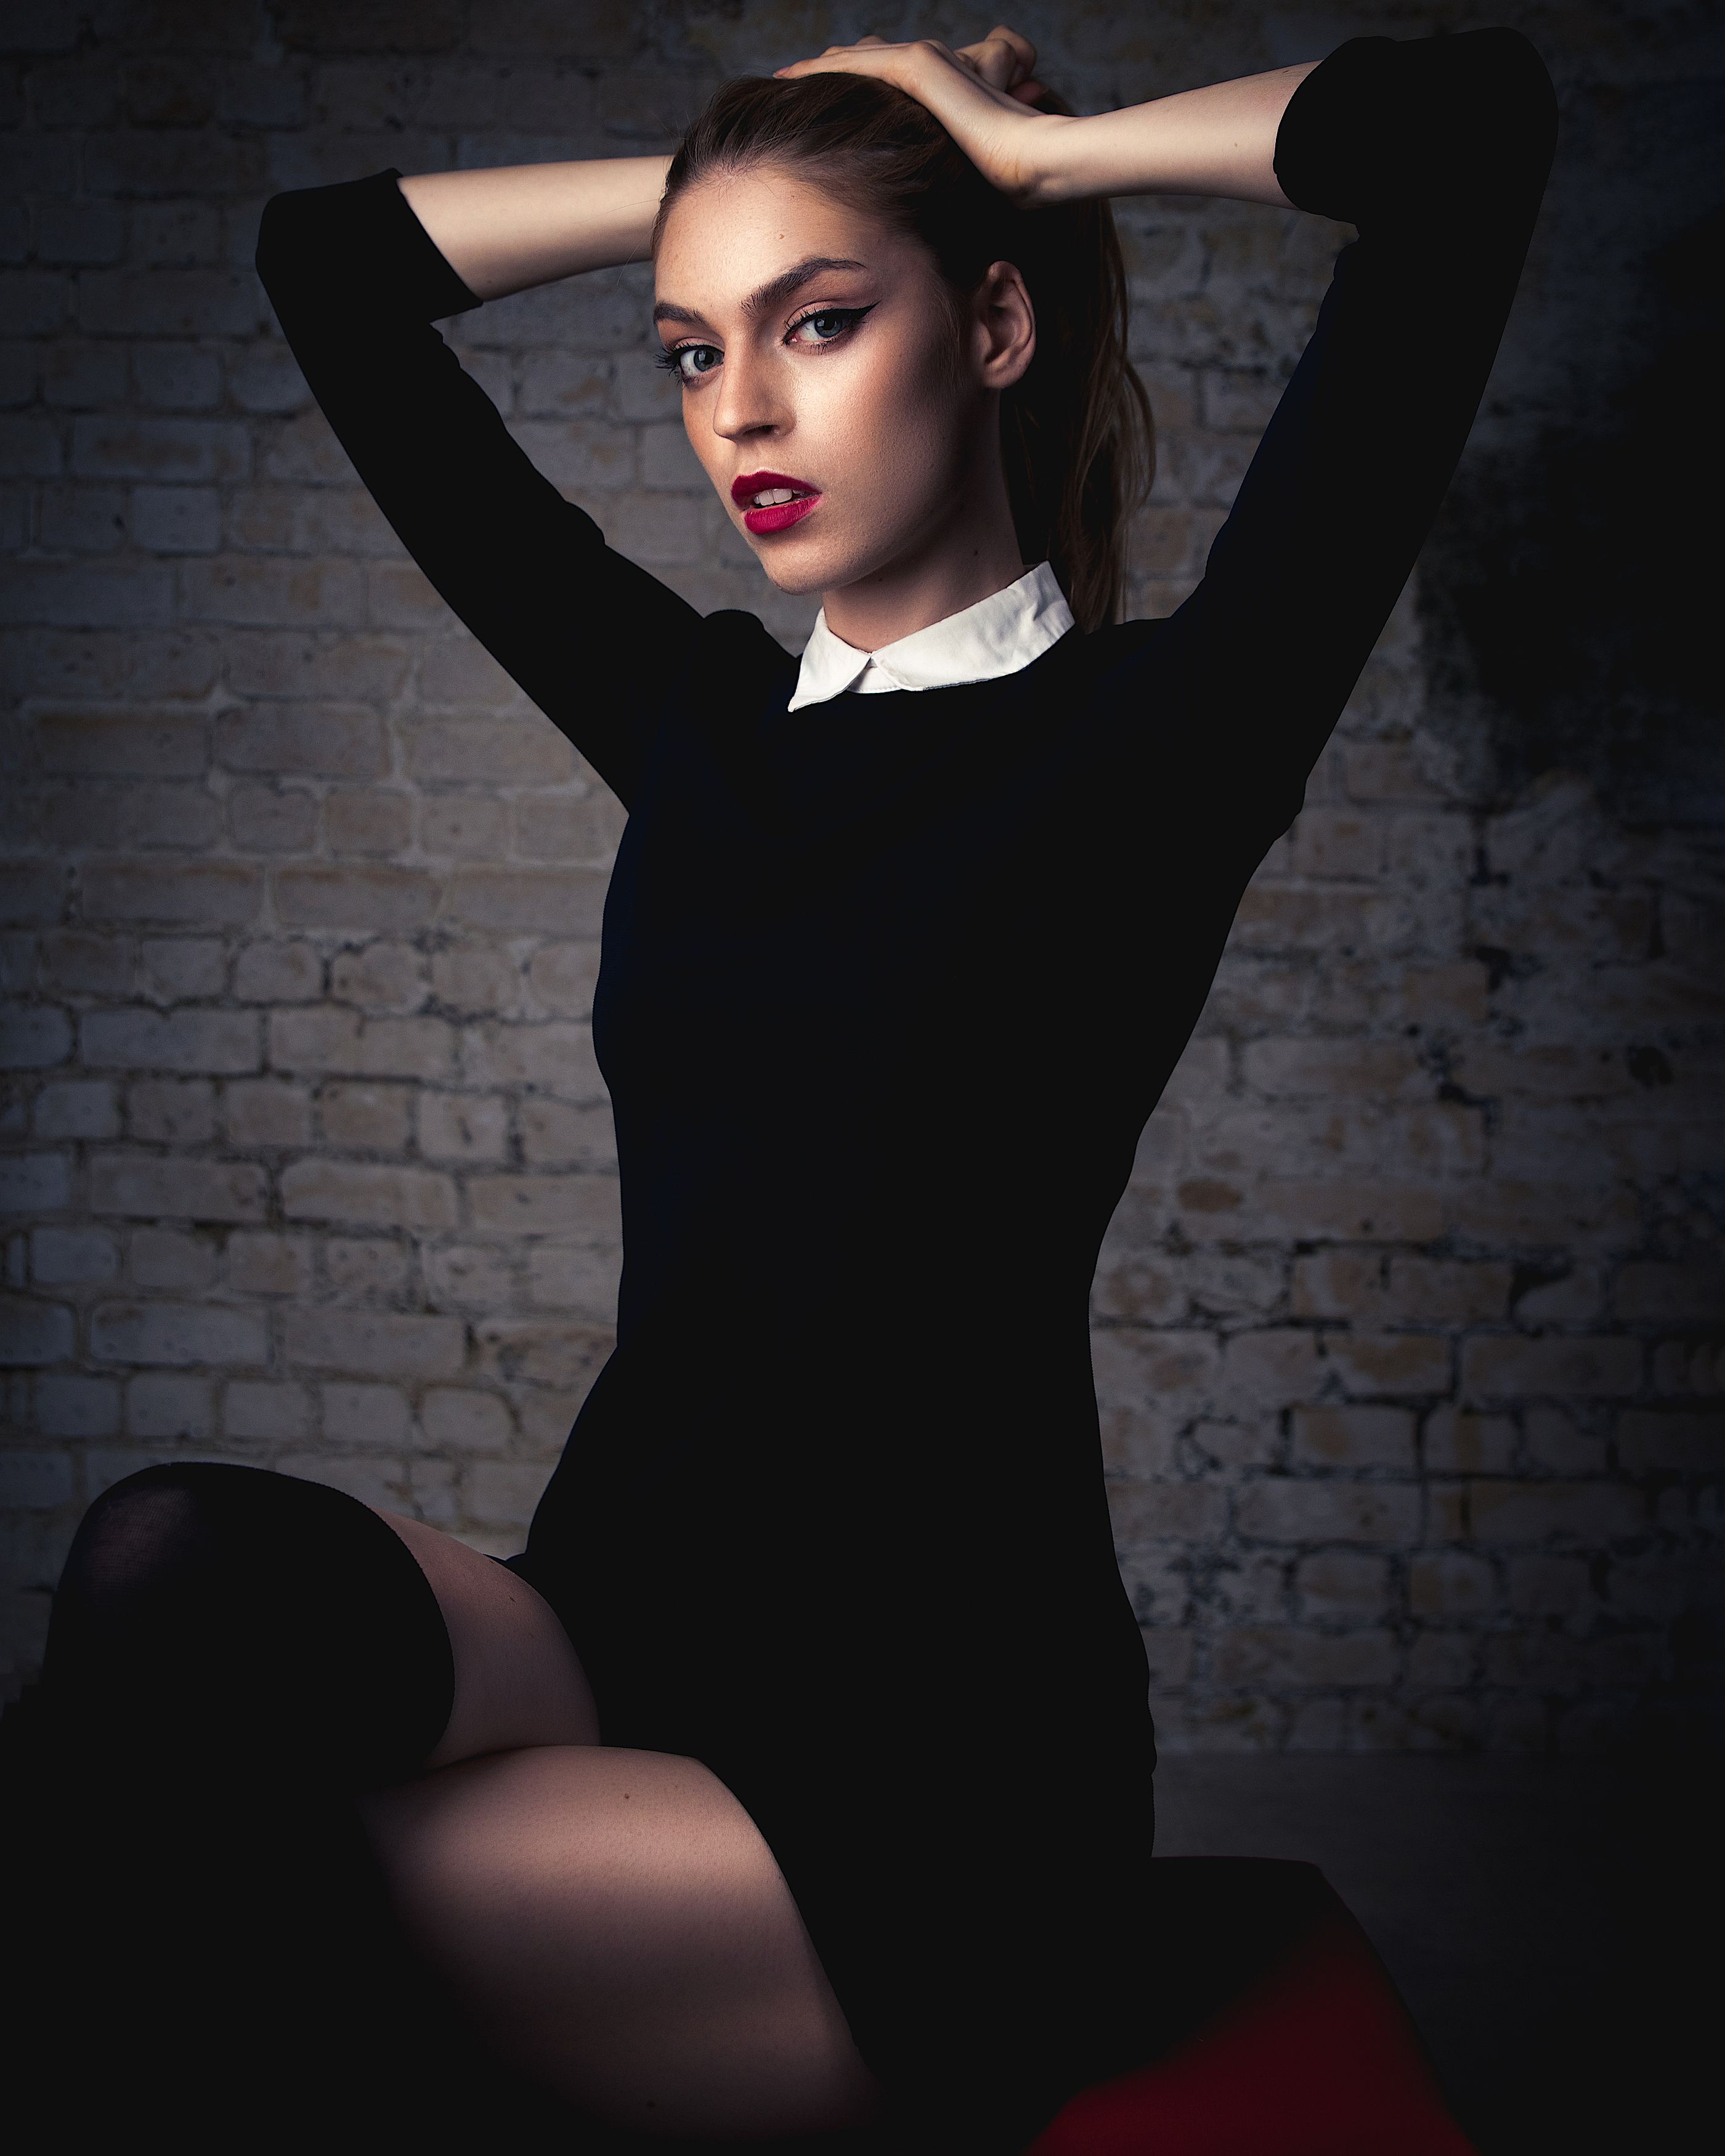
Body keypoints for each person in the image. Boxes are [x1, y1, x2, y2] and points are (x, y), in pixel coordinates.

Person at [18, 22, 1556, 2154]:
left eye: (818, 322)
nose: (738, 408)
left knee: (175, 1871)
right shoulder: (699, 727)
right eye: (689, 349)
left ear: (993, 323)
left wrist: (1010, 152)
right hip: (617, 1616)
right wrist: (737, 179)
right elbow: (327, 270)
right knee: (167, 1571)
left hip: (926, 1773)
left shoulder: (1162, 741)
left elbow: (1467, 136)